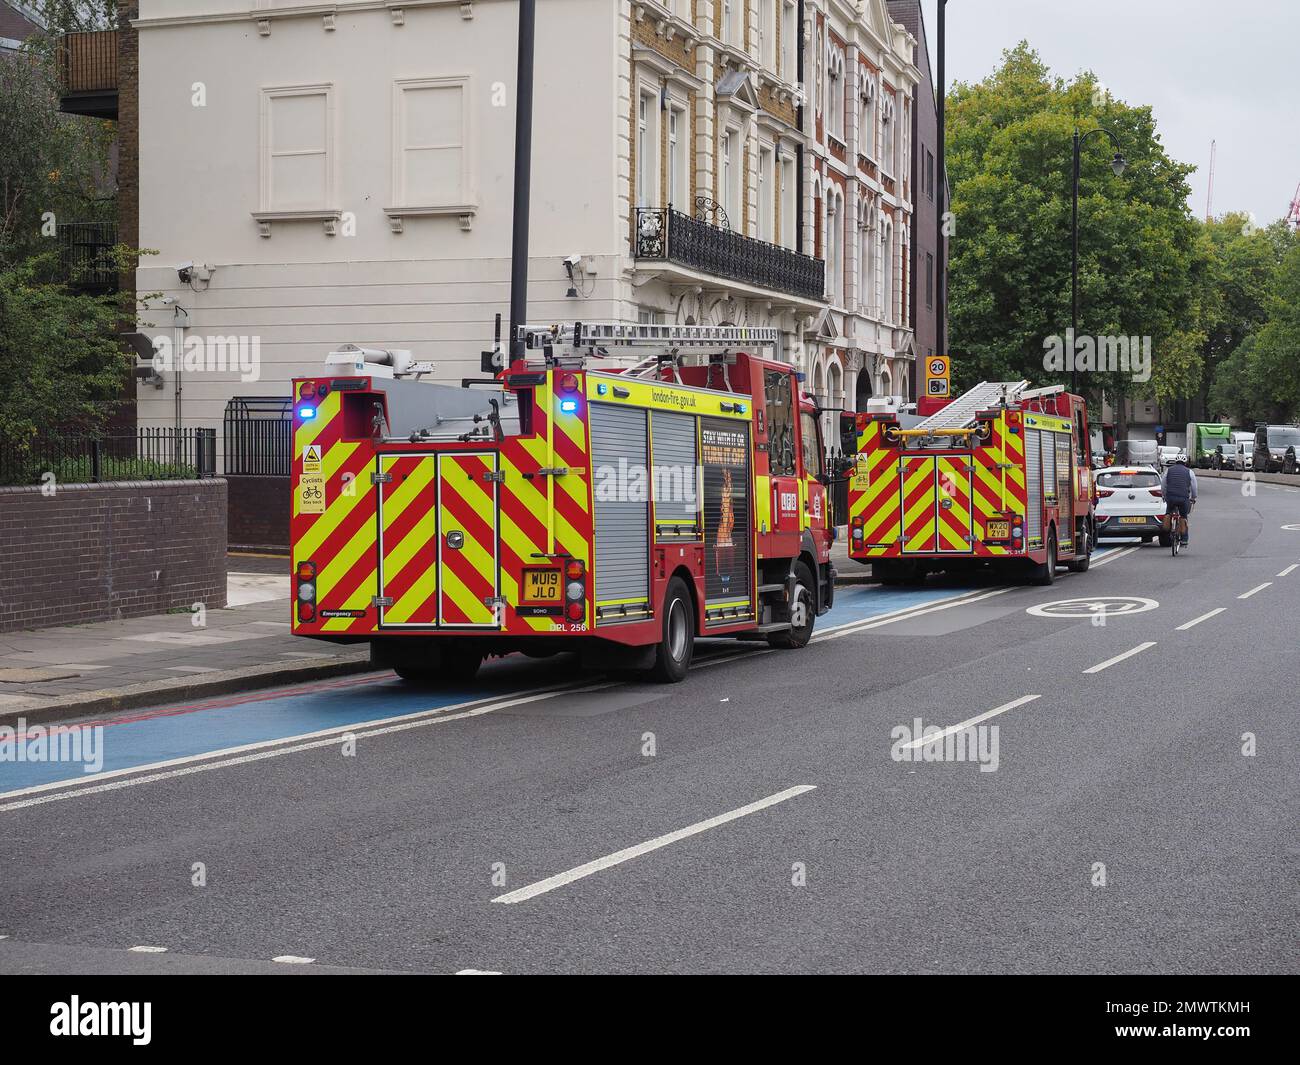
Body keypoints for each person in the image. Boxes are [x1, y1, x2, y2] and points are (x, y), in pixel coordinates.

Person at [1161, 456, 1197, 546]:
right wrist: (1193, 497)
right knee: (1183, 516)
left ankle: (1167, 533)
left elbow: (1163, 485)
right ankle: (1184, 539)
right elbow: (1194, 487)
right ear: (1185, 463)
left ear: (1175, 462)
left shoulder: (1168, 470)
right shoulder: (1189, 472)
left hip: (1171, 498)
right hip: (1183, 498)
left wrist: (1164, 496)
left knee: (1168, 513)